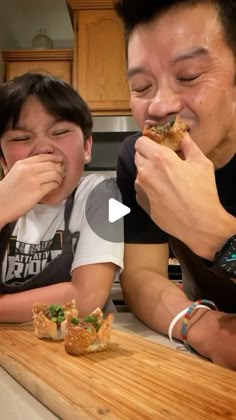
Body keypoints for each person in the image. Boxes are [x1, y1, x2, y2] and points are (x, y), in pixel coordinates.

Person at [115, 0, 236, 369]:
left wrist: (218, 237)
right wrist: (205, 329)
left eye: (189, 75)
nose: (160, 106)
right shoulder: (139, 159)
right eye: (141, 86)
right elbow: (142, 273)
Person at [0, 72, 123, 323]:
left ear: (87, 148)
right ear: (3, 162)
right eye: (22, 138)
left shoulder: (106, 196)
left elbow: (87, 297)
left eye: (59, 132)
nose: (44, 147)